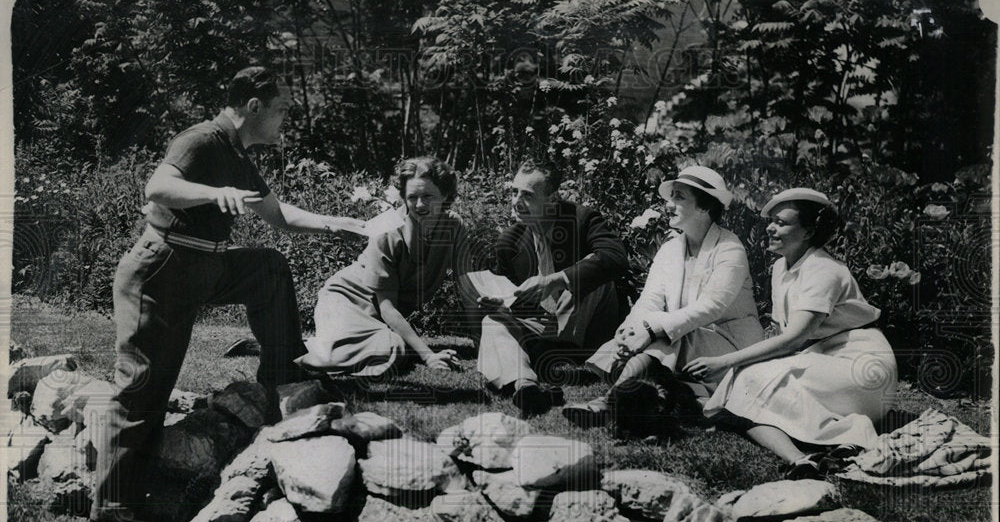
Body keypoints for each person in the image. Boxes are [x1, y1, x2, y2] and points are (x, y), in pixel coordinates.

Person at [88, 66, 363, 522]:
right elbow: (158, 186)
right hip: (161, 272)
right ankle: (111, 512)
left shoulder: (238, 154)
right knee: (142, 388)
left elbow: (279, 217)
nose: (285, 121)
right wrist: (215, 194)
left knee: (268, 268)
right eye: (281, 110)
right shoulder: (202, 139)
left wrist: (341, 224)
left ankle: (281, 377)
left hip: (205, 266)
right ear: (254, 106)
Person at [686, 188, 898, 479]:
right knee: (743, 388)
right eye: (771, 220)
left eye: (782, 222)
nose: (770, 228)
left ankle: (833, 441)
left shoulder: (824, 269)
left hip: (862, 367)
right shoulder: (779, 269)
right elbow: (781, 334)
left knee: (745, 380)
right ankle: (811, 453)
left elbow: (794, 339)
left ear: (809, 231)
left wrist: (725, 361)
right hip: (822, 361)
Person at [563, 166, 763, 427]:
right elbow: (650, 299)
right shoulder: (671, 248)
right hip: (684, 339)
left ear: (704, 207)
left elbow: (711, 307)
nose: (670, 205)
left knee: (670, 332)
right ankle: (633, 398)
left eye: (679, 197)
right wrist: (630, 330)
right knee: (666, 331)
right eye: (672, 197)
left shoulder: (730, 249)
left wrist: (650, 330)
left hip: (729, 348)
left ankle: (608, 402)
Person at [473, 158, 628, 416]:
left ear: (553, 199)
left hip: (587, 328)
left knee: (592, 266)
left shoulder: (581, 219)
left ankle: (551, 352)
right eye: (514, 192)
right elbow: (515, 297)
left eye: (528, 195)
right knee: (492, 321)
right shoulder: (510, 240)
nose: (516, 201)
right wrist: (503, 302)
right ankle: (525, 385)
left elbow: (616, 259)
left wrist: (553, 280)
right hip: (544, 324)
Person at [298, 156, 471, 377]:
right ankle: (294, 352)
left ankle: (322, 346)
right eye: (412, 197)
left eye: (428, 196)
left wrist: (481, 343)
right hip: (345, 300)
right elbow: (388, 308)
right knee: (391, 348)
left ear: (445, 195)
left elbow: (468, 285)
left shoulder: (454, 226)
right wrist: (428, 356)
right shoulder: (387, 231)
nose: (419, 205)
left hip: (378, 316)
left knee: (393, 346)